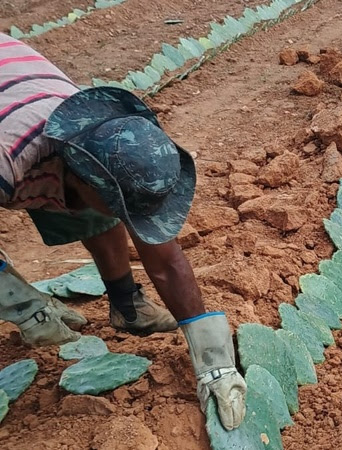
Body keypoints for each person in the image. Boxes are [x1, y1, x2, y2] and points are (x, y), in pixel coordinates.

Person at [0, 33, 245, 430]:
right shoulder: (8, 161)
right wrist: (21, 303)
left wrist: (215, 363)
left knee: (102, 207)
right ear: (81, 176)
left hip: (17, 84)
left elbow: (165, 262)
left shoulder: (109, 141)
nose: (133, 221)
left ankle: (127, 306)